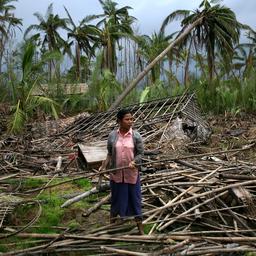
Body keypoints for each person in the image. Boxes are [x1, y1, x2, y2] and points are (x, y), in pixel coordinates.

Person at [99, 108, 144, 235]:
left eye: (131, 119)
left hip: (132, 175)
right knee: (116, 201)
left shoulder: (136, 136)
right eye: (127, 119)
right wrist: (104, 166)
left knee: (135, 201)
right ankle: (111, 228)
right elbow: (109, 154)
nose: (130, 121)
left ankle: (140, 229)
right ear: (119, 121)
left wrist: (134, 162)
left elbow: (141, 154)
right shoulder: (112, 136)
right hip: (116, 175)